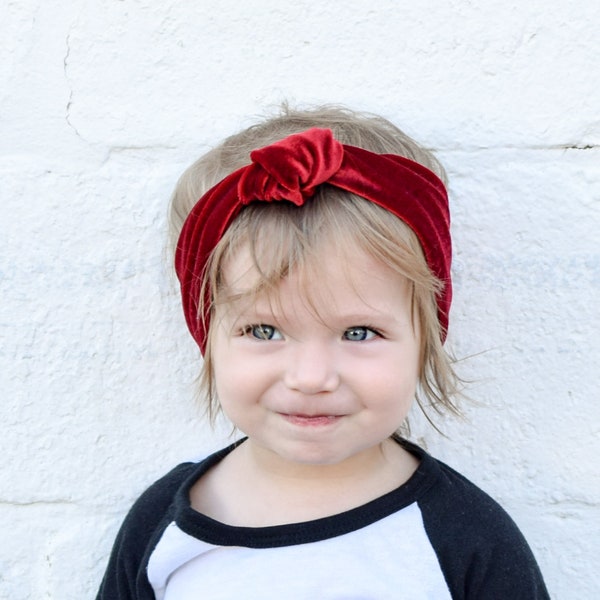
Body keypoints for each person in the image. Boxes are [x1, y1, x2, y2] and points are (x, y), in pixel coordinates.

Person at [96, 106, 549, 599]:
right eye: (265, 330)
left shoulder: (465, 538)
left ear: (425, 337)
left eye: (358, 333)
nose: (311, 378)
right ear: (207, 333)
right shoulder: (163, 526)